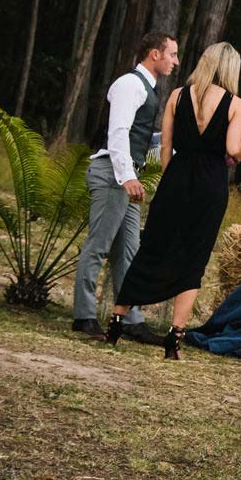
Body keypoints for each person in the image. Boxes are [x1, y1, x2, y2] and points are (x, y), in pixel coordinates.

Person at [107, 41, 241, 359]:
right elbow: (233, 147)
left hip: (176, 179)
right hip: (210, 185)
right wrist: (240, 154)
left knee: (152, 247)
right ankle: (174, 339)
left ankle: (116, 321)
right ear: (231, 69)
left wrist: (174, 180)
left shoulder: (177, 96)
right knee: (194, 259)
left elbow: (166, 146)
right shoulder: (236, 104)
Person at [72, 31, 178, 337]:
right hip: (113, 175)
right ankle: (83, 315)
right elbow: (118, 132)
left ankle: (131, 320)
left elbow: (141, 137)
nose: (176, 61)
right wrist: (127, 176)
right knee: (99, 246)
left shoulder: (149, 88)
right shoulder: (130, 84)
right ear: (154, 54)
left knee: (129, 251)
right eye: (172, 54)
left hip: (128, 176)